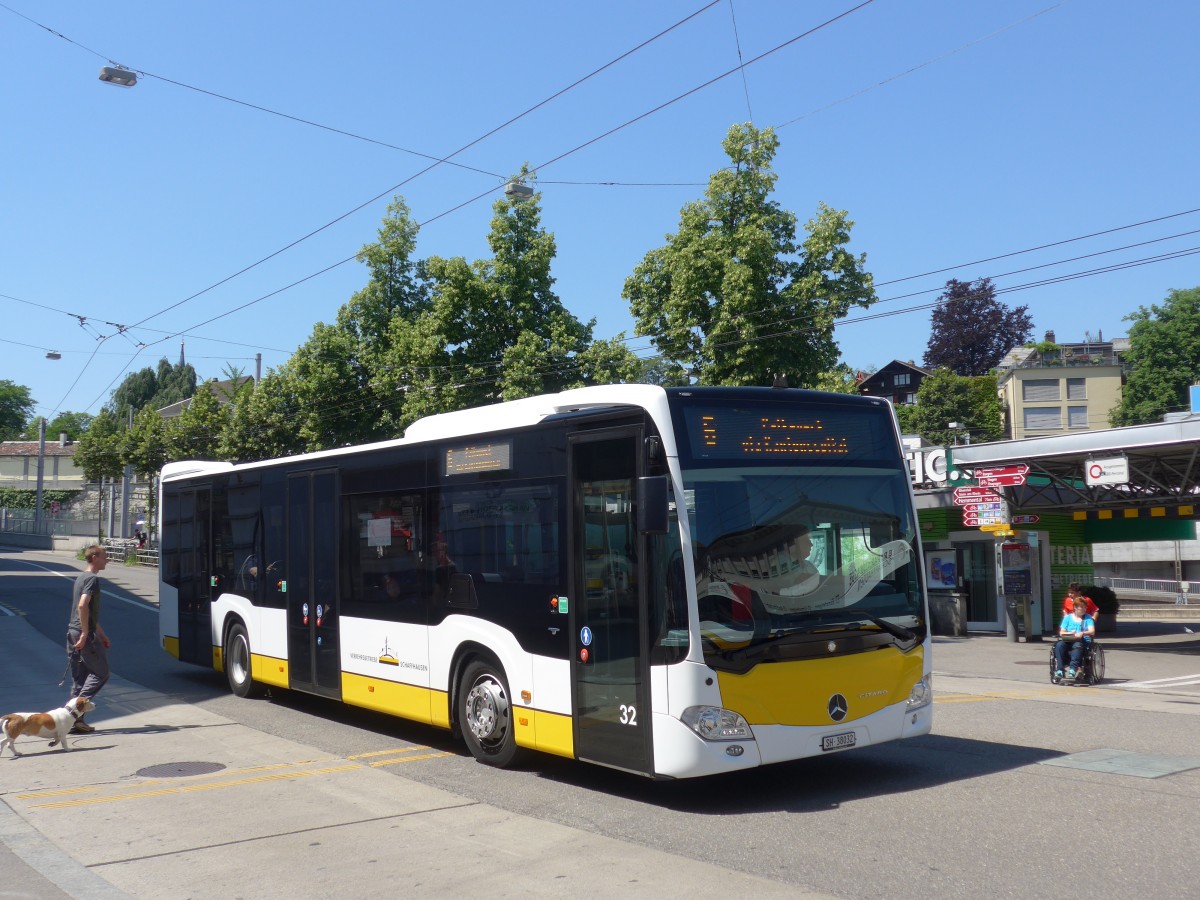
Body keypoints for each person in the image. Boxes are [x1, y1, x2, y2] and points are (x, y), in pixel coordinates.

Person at [66, 544, 111, 734]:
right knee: (101, 673)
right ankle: (73, 712)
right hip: (83, 634)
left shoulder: (81, 577)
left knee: (80, 679)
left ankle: (75, 722)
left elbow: (87, 612)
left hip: (72, 631)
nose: (106, 560)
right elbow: (83, 606)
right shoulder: (92, 579)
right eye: (103, 557)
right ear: (93, 558)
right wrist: (86, 633)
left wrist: (101, 633)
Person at [1054, 597, 1095, 683]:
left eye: (1085, 607)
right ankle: (1060, 670)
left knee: (1077, 645)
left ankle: (1073, 669)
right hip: (1068, 639)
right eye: (1082, 607)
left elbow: (1092, 631)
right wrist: (1071, 633)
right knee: (1059, 645)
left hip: (1082, 641)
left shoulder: (1087, 618)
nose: (1084, 609)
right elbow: (1062, 632)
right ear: (1075, 607)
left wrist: (1082, 633)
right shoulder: (1068, 618)